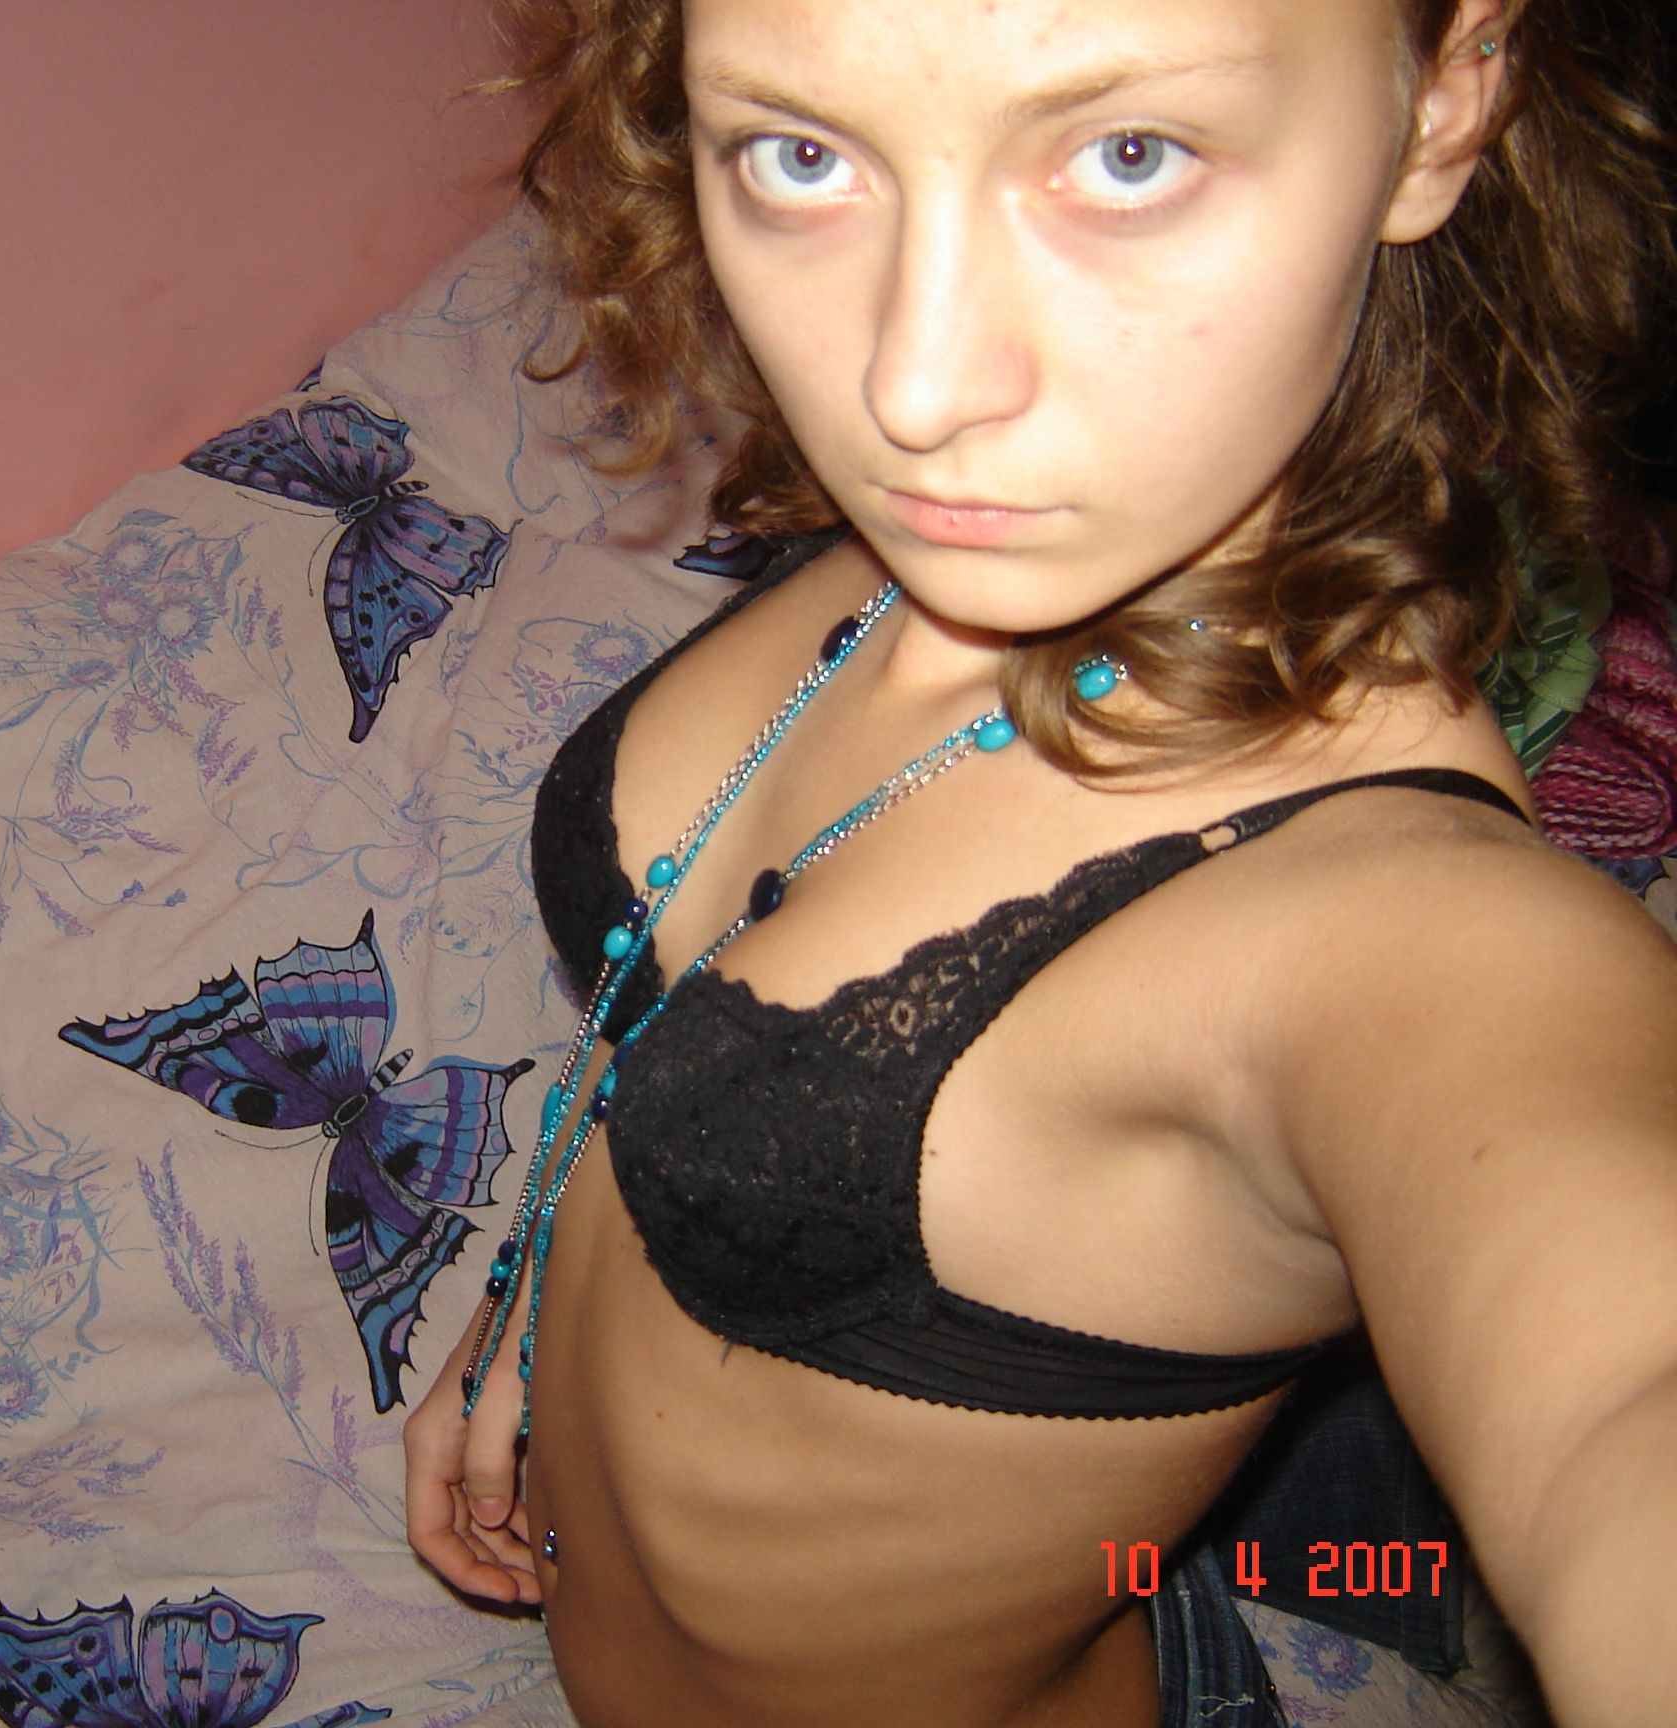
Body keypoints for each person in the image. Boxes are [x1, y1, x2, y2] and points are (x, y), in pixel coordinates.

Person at [402, 0, 1677, 1723]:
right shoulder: (1005, 533)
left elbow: (1622, 1402)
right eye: (801, 154)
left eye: (1128, 156)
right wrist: (528, 1305)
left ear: (1445, 99)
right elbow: (673, 1005)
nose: (912, 390)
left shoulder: (1399, 927)